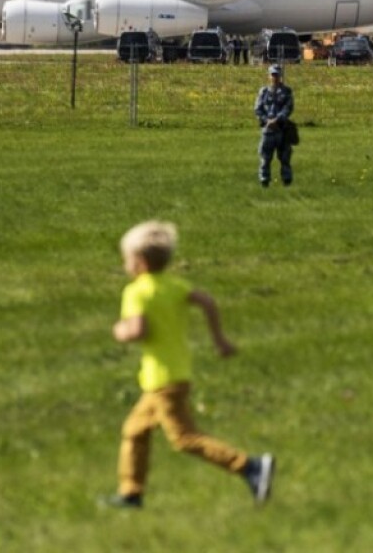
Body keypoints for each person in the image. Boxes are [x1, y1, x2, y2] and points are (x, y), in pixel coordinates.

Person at [104, 220, 275, 509]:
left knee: (184, 438)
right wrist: (219, 339)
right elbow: (206, 301)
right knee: (134, 430)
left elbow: (138, 331)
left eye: (127, 259)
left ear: (140, 263)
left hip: (162, 381)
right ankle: (131, 493)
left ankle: (249, 466)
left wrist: (119, 331)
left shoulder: (137, 292)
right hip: (174, 375)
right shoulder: (175, 285)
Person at [254, 64, 294, 187]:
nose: (275, 77)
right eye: (273, 75)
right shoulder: (263, 92)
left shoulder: (287, 91)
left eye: (277, 75)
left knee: (285, 158)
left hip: (281, 129)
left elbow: (288, 108)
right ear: (269, 76)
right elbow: (258, 109)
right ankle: (264, 180)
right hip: (268, 130)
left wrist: (277, 120)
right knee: (265, 158)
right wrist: (267, 121)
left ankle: (286, 180)